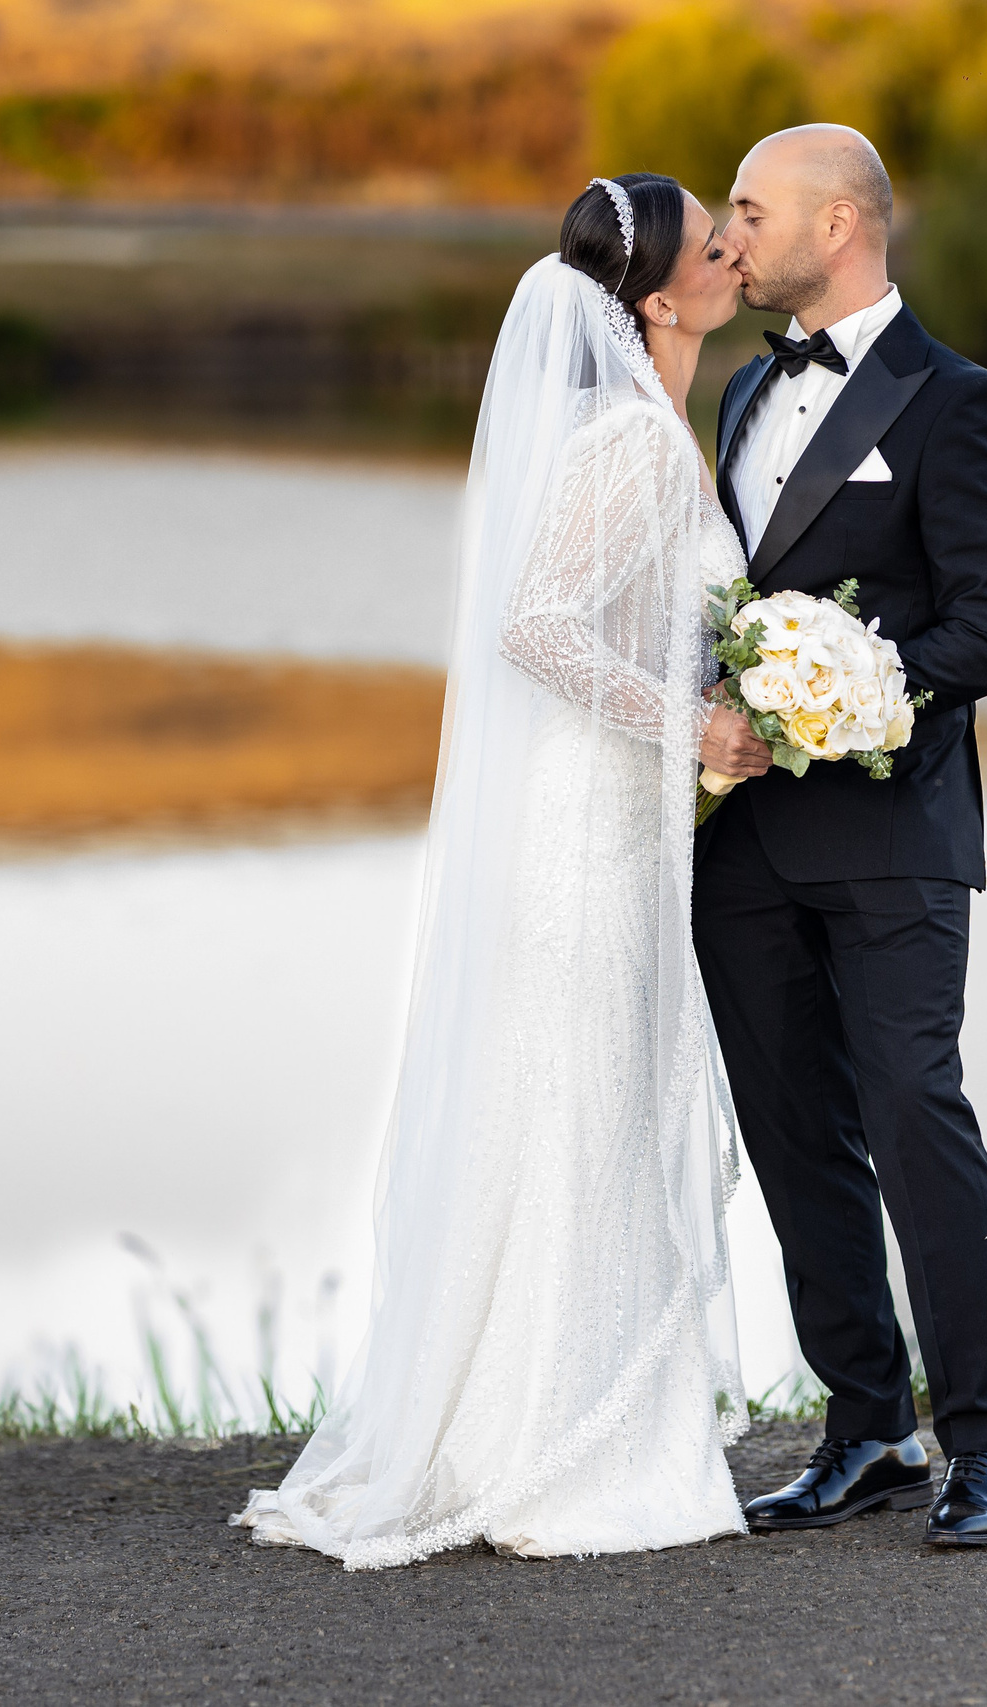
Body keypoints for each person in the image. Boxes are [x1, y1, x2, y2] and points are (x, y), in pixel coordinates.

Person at [232, 173, 759, 1567]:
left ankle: (527, 1424)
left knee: (579, 1102)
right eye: (712, 245)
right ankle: (550, 1452)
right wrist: (695, 722)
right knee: (579, 1104)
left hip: (609, 811)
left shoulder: (646, 429)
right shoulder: (633, 445)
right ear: (658, 301)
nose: (732, 255)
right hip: (584, 823)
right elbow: (539, 625)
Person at [695, 124, 987, 1547]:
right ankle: (866, 1429)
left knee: (915, 1116)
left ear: (837, 224)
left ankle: (982, 1445)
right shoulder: (740, 390)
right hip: (743, 845)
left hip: (895, 831)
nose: (728, 236)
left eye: (749, 210)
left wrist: (839, 689)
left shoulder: (961, 404)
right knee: (795, 1136)